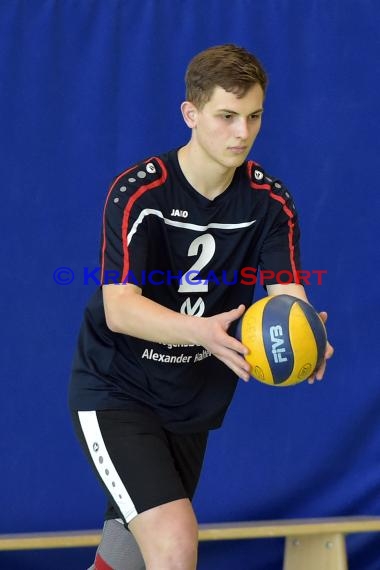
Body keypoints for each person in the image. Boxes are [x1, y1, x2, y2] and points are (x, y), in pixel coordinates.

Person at [69, 43, 333, 570]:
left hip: (193, 398)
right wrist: (202, 332)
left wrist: (308, 335)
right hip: (117, 387)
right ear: (191, 114)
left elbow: (286, 293)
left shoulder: (269, 201)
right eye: (227, 116)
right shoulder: (141, 193)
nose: (243, 132)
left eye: (254, 116)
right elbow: (120, 308)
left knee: (127, 556)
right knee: (174, 541)